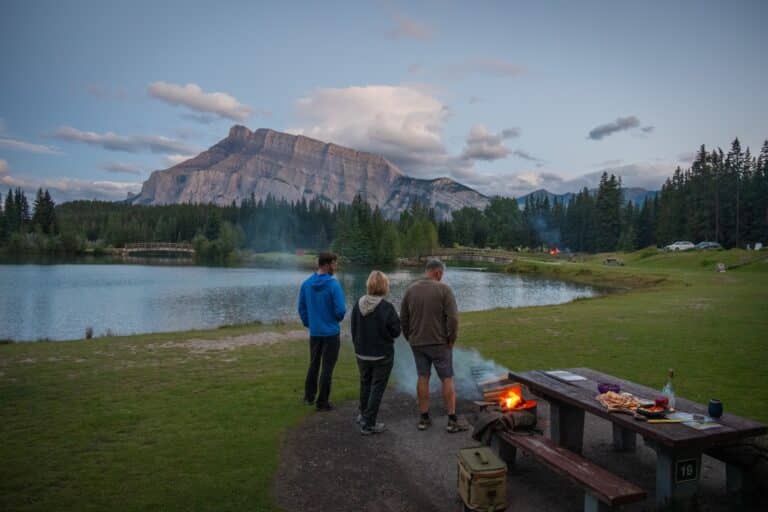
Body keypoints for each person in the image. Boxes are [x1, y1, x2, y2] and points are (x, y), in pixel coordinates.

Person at [400, 258, 465, 433]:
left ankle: (424, 418)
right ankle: (451, 420)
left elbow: (403, 319)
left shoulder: (410, 290)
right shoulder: (444, 290)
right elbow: (453, 319)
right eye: (441, 274)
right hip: (439, 343)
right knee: (447, 378)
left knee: (423, 377)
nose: (442, 277)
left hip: (417, 342)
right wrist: (451, 339)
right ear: (437, 273)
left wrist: (410, 337)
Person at [351, 270, 401, 435]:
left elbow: (354, 329)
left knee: (365, 383)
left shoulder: (357, 304)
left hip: (361, 353)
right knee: (377, 388)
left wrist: (358, 345)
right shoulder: (387, 307)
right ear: (384, 286)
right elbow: (396, 331)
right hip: (382, 354)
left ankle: (363, 414)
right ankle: (368, 423)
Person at [297, 252, 347, 411]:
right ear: (326, 264)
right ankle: (322, 402)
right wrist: (334, 320)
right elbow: (340, 310)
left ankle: (308, 396)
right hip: (331, 333)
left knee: (314, 364)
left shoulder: (306, 284)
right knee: (327, 367)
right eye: (334, 264)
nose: (336, 267)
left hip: (315, 333)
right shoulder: (333, 285)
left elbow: (302, 309)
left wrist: (310, 323)